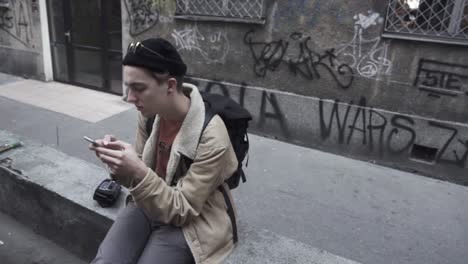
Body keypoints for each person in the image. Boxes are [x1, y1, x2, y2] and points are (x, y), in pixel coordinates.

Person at [90, 38, 239, 264]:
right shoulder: (148, 114)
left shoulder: (212, 135)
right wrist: (118, 162)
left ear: (170, 86)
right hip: (150, 200)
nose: (129, 98)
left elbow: (183, 208)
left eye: (138, 88)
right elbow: (139, 169)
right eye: (128, 87)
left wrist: (138, 171)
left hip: (192, 217)